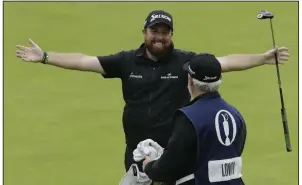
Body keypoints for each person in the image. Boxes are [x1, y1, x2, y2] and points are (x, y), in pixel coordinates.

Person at [15, 10, 288, 172]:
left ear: (171, 34)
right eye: (154, 31)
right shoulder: (126, 61)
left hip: (175, 151)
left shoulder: (185, 60)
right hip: (135, 152)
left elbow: (224, 63)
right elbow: (85, 61)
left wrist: (262, 59)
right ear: (144, 32)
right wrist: (45, 56)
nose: (159, 37)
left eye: (165, 32)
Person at [143, 53, 247, 185]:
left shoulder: (188, 117)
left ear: (190, 81)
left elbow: (167, 167)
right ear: (220, 78)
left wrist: (149, 166)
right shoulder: (235, 114)